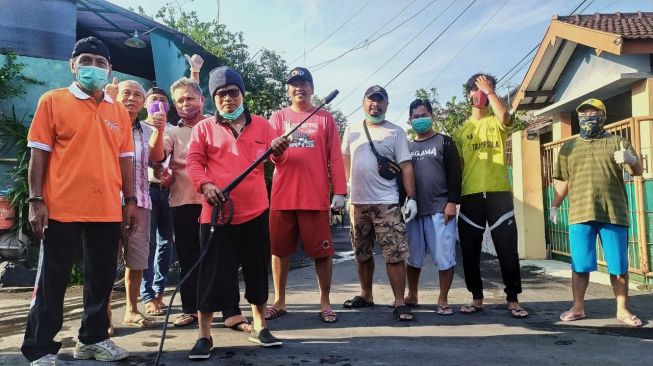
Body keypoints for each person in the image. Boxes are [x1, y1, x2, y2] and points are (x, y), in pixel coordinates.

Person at [22, 36, 135, 365]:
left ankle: (93, 339)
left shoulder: (118, 112)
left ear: (110, 68)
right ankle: (39, 349)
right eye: (86, 60)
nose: (94, 68)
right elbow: (38, 155)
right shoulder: (53, 101)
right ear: (73, 65)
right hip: (60, 209)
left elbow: (125, 159)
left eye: (101, 63)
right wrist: (35, 200)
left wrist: (130, 201)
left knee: (100, 281)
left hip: (106, 210)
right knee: (52, 283)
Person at [186, 66, 289, 360]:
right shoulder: (203, 128)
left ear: (242, 94)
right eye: (221, 94)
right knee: (211, 275)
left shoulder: (264, 127)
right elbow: (193, 163)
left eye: (233, 92)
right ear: (213, 99)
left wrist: (280, 149)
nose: (227, 99)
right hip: (216, 215)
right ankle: (204, 335)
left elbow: (279, 161)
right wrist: (204, 185)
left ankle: (260, 325)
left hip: (256, 212)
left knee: (257, 270)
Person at [550, 98, 643, 327]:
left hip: (613, 213)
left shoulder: (618, 142)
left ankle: (622, 309)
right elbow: (563, 181)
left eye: (593, 112)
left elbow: (638, 170)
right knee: (580, 266)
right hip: (580, 213)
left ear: (603, 116)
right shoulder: (568, 148)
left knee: (619, 266)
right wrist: (555, 204)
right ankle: (578, 307)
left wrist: (631, 160)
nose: (588, 117)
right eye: (584, 113)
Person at [267, 67, 347, 324]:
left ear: (312, 88)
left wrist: (341, 192)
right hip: (282, 197)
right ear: (288, 89)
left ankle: (324, 301)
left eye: (304, 83)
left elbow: (335, 156)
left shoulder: (325, 118)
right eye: (294, 84)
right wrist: (277, 150)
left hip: (315, 197)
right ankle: (279, 301)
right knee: (279, 251)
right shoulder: (278, 117)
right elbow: (273, 157)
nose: (299, 88)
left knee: (322, 252)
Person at [453, 73, 528, 318]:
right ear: (468, 95)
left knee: (507, 249)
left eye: (486, 89)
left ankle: (513, 299)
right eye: (477, 89)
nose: (482, 93)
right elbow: (461, 166)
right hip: (470, 196)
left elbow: (506, 117)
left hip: (499, 194)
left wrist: (491, 91)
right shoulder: (461, 130)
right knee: (470, 252)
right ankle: (476, 298)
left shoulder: (496, 121)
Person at [341, 85, 418, 322]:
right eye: (371, 100)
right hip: (358, 203)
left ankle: (399, 301)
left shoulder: (395, 132)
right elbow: (344, 157)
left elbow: (405, 165)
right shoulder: (351, 129)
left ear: (386, 104)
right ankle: (366, 294)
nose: (375, 104)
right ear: (363, 102)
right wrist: (345, 190)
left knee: (394, 254)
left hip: (387, 203)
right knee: (362, 252)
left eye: (380, 100)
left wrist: (412, 197)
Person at [108, 80, 166, 333]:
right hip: (107, 202)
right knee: (107, 260)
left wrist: (160, 131)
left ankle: (131, 310)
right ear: (116, 96)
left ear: (144, 103)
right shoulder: (106, 123)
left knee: (137, 259)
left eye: (137, 95)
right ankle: (104, 313)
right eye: (126, 93)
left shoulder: (145, 129)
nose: (131, 98)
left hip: (141, 201)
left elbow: (155, 159)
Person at [404, 99, 461, 315]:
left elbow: (455, 174)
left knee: (445, 257)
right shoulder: (407, 147)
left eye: (424, 115)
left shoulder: (445, 142)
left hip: (440, 210)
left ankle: (443, 298)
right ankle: (412, 294)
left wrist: (452, 203)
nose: (420, 119)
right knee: (414, 258)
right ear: (410, 120)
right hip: (415, 212)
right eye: (416, 116)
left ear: (432, 116)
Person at [164, 77, 206, 327]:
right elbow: (157, 157)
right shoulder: (170, 131)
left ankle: (226, 307)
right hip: (182, 202)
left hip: (214, 202)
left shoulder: (215, 125)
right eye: (180, 100)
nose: (185, 103)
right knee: (188, 257)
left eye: (190, 98)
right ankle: (190, 308)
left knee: (217, 256)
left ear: (201, 99)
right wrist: (162, 171)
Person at [139, 87, 175, 318]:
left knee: (166, 244)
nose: (158, 104)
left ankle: (160, 291)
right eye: (153, 100)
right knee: (147, 244)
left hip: (170, 192)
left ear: (169, 106)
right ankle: (147, 295)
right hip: (146, 191)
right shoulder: (138, 128)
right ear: (145, 104)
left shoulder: (173, 130)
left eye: (163, 100)